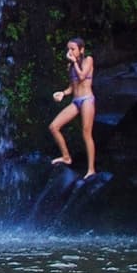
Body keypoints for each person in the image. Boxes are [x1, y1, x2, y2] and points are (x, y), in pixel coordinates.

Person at [47, 37, 99, 178]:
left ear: (81, 50)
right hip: (76, 101)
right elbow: (72, 86)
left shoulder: (88, 60)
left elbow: (82, 76)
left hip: (87, 100)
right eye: (68, 49)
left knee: (86, 133)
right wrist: (62, 93)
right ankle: (66, 156)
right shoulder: (70, 66)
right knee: (54, 126)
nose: (70, 52)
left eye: (73, 49)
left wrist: (75, 62)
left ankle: (91, 169)